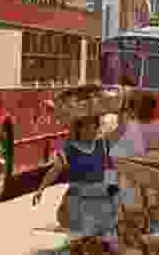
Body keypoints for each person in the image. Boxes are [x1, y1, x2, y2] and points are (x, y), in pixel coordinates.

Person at [32, 90, 119, 237]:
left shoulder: (102, 144)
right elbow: (55, 170)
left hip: (99, 196)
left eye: (95, 126)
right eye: (89, 127)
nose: (93, 130)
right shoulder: (70, 148)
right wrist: (41, 190)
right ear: (80, 129)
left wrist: (114, 193)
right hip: (77, 197)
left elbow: (110, 170)